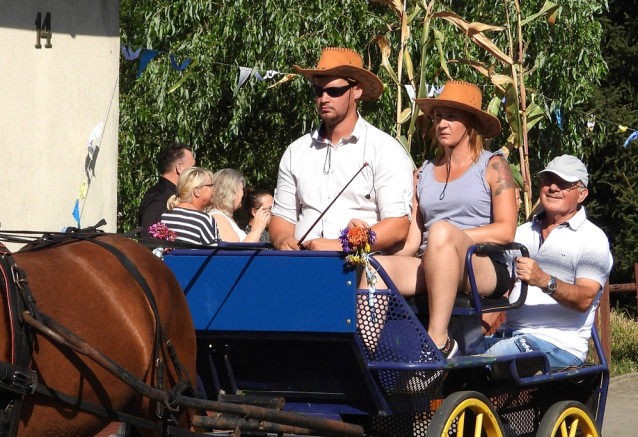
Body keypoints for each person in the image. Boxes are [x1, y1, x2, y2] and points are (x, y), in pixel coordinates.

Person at [371, 80, 518, 357]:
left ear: (471, 123)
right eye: (438, 116)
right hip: (432, 261)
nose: (442, 123)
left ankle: (438, 342)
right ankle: (373, 355)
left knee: (439, 233)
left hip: (483, 264)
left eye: (451, 117)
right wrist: (370, 246)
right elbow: (414, 241)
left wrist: (449, 239)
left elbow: (506, 232)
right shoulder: (423, 173)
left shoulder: (493, 165)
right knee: (374, 268)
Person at [269, 47, 414, 253]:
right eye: (318, 91)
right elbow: (283, 216)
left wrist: (341, 245)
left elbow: (397, 226)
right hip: (300, 264)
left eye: (334, 91)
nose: (324, 98)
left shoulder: (385, 149)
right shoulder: (296, 151)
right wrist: (283, 240)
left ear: (357, 90)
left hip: (358, 268)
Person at [485, 155, 613, 368]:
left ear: (582, 194)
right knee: (462, 355)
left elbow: (585, 299)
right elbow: (503, 293)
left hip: (560, 345)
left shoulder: (593, 238)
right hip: (509, 335)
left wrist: (543, 280)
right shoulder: (520, 233)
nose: (553, 187)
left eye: (563, 183)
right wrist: (473, 334)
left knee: (491, 358)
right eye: (547, 181)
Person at [138, 143, 195, 239]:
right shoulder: (160, 197)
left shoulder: (166, 194)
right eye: (192, 168)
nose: (195, 173)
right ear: (179, 167)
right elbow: (148, 239)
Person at [158, 166, 220, 246]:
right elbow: (214, 254)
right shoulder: (203, 220)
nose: (213, 190)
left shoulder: (165, 215)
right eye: (210, 186)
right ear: (197, 191)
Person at [208, 169, 271, 243]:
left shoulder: (224, 217)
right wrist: (257, 229)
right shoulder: (218, 218)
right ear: (231, 192)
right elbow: (238, 253)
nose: (242, 194)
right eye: (241, 189)